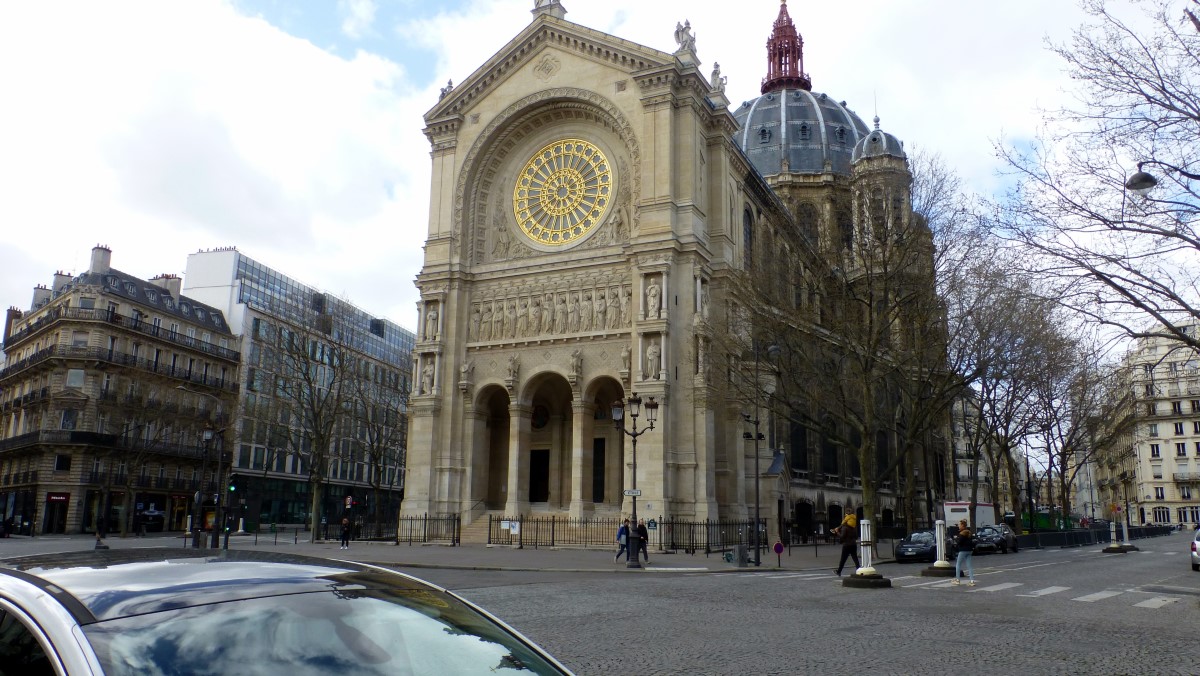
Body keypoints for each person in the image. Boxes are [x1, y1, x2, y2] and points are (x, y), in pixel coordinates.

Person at [953, 519, 976, 586]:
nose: (959, 526)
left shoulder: (962, 533)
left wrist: (956, 539)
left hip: (963, 550)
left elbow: (959, 542)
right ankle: (972, 581)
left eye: (960, 525)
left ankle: (957, 580)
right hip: (969, 550)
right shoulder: (969, 532)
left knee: (958, 564)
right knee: (969, 566)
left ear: (963, 525)